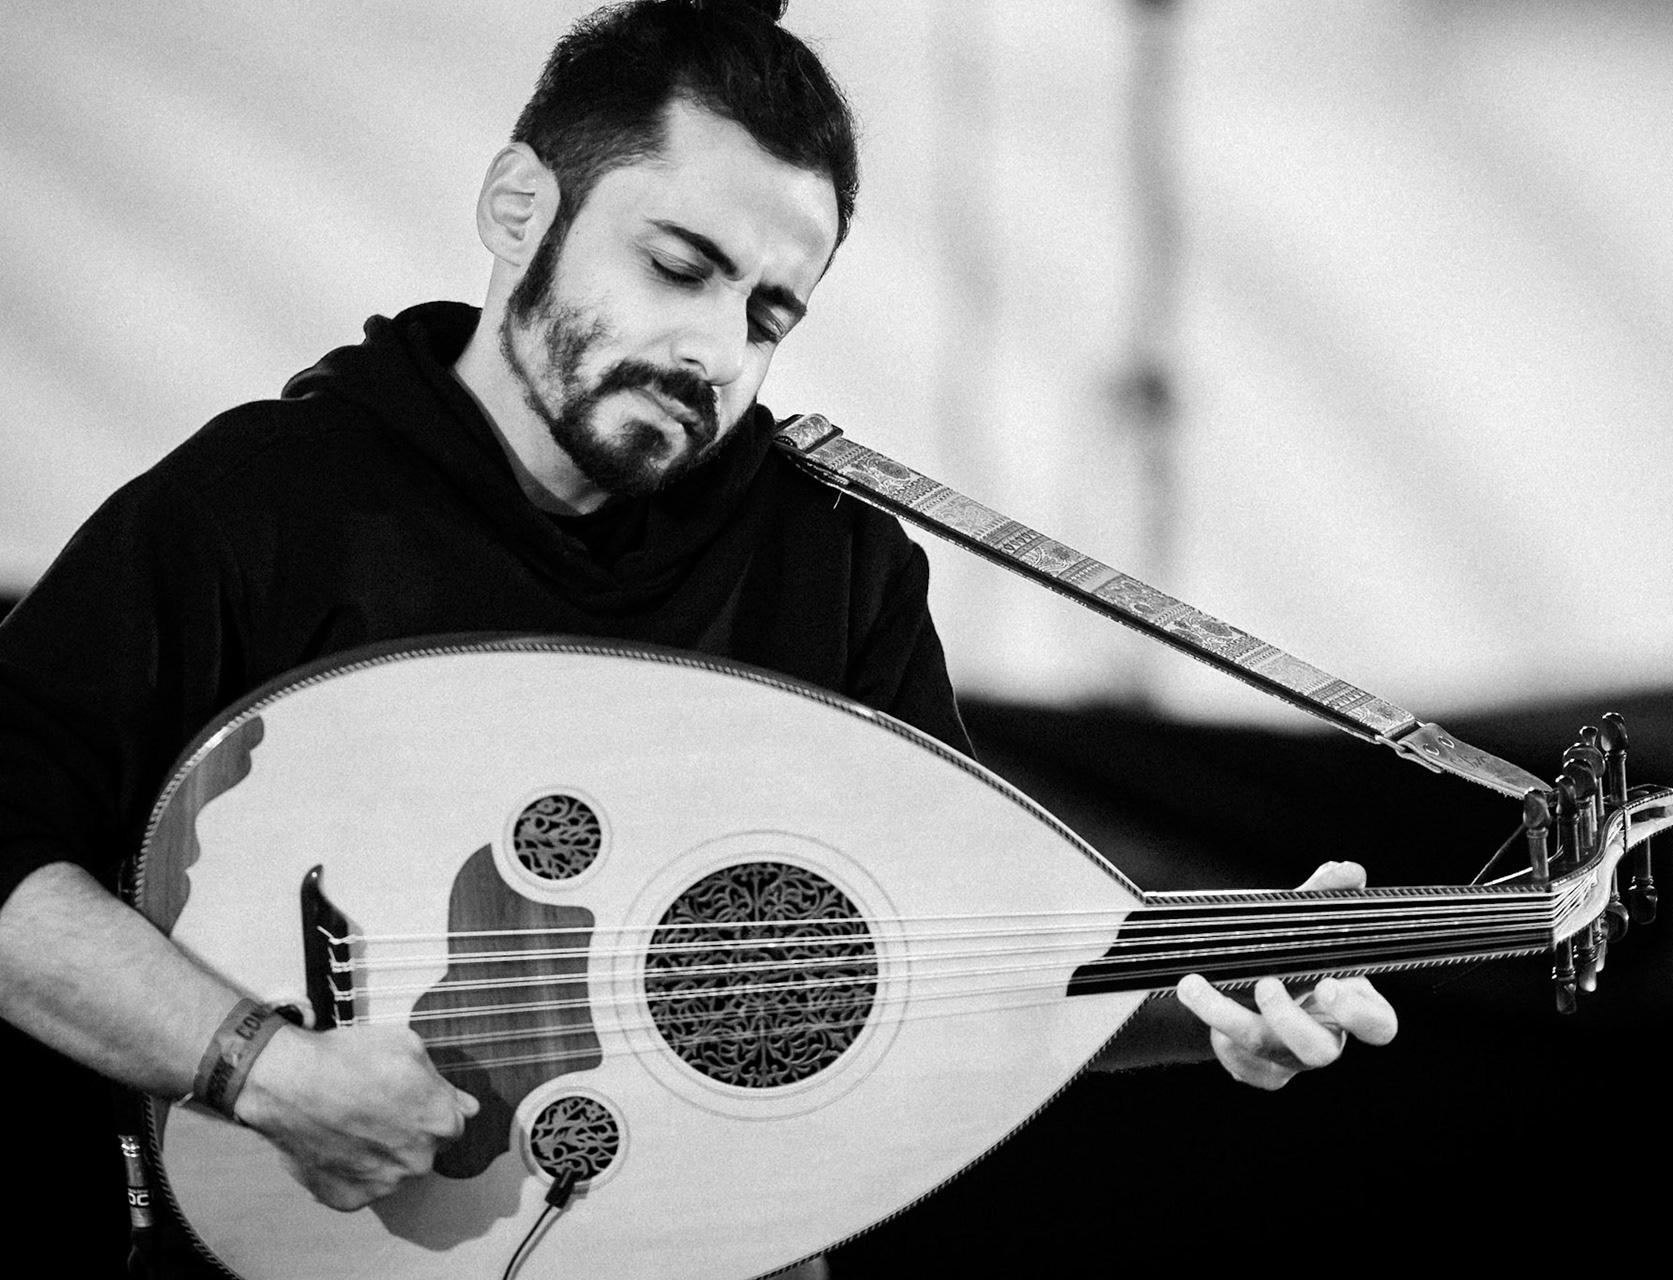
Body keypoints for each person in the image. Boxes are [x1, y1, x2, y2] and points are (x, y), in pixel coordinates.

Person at [0, 0, 1396, 1271]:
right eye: (680, 267)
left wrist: (1206, 1003)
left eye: (768, 314)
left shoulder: (832, 566)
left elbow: (945, 968)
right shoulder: (263, 505)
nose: (717, 350)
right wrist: (265, 1071)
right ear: (515, 206)